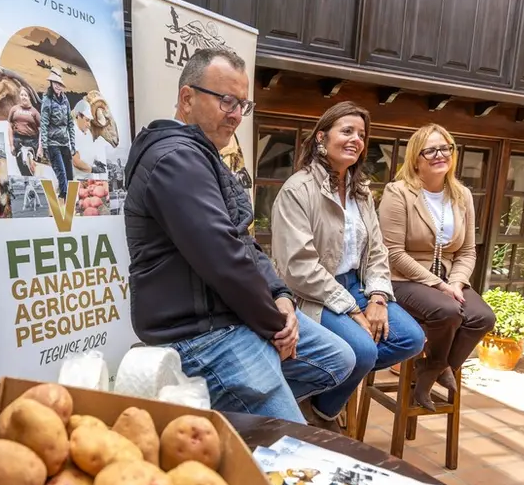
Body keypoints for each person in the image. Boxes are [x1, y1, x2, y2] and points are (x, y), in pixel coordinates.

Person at [123, 48, 357, 425]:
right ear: (187, 98)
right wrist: (276, 323)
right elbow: (224, 258)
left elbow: (244, 242)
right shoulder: (175, 160)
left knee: (341, 358)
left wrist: (281, 296)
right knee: (290, 442)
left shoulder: (204, 156)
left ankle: (237, 419)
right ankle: (245, 423)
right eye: (226, 101)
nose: (235, 115)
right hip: (199, 335)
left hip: (232, 317)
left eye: (242, 105)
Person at [271, 102, 425, 428]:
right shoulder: (297, 190)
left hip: (357, 284)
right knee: (364, 352)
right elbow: (299, 267)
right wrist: (354, 309)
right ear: (321, 138)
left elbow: (378, 252)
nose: (356, 139)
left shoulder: (361, 192)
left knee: (411, 339)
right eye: (347, 131)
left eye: (362, 134)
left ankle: (321, 398)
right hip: (313, 292)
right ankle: (326, 414)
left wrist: (379, 298)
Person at [378, 124, 496, 411]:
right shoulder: (398, 193)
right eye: (430, 150)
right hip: (403, 278)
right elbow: (392, 252)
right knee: (447, 310)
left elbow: (468, 250)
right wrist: (439, 285)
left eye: (445, 148)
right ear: (416, 159)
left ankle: (430, 370)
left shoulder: (461, 195)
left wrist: (455, 282)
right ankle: (434, 370)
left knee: (482, 317)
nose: (439, 154)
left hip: (448, 279)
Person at [37, 68, 75, 199]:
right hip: (53, 144)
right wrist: (45, 145)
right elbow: (44, 124)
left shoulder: (65, 100)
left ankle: (69, 206)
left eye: (59, 83)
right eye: (55, 83)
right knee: (62, 175)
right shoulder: (47, 100)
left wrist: (73, 145)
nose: (57, 85)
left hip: (65, 143)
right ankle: (63, 201)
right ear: (51, 83)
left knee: (70, 176)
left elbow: (70, 123)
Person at [7, 86, 41, 176]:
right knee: (21, 166)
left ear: (29, 97)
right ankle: (25, 183)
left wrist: (40, 148)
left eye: (25, 95)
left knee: (30, 166)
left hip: (31, 141)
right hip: (17, 139)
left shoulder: (35, 112)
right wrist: (11, 145)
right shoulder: (14, 109)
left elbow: (41, 130)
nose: (23, 97)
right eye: (21, 95)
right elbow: (10, 126)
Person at [71, 99, 107, 181]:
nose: (89, 124)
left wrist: (96, 162)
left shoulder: (86, 132)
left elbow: (87, 151)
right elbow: (75, 162)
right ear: (79, 116)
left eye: (90, 121)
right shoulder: (72, 133)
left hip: (87, 178)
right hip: (76, 180)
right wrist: (93, 169)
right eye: (87, 120)